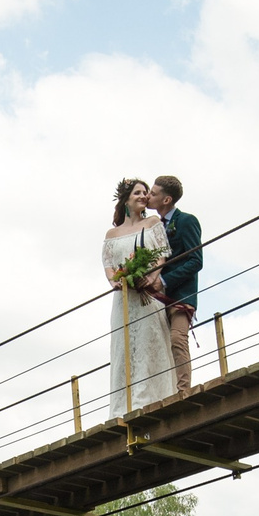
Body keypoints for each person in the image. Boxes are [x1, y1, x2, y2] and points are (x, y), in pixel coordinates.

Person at [102, 177, 176, 414]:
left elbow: (161, 254)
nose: (143, 196)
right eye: (137, 193)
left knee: (147, 343)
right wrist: (116, 280)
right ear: (126, 200)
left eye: (145, 192)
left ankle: (149, 399)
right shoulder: (112, 234)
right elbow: (108, 264)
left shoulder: (152, 223)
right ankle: (121, 406)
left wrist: (151, 277)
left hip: (148, 293)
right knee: (123, 349)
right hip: (124, 298)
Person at [150, 176, 202, 393]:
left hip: (180, 295)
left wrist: (164, 280)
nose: (148, 196)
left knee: (177, 339)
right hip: (154, 299)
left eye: (153, 193)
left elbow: (196, 261)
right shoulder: (152, 226)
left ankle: (183, 392)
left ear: (166, 199)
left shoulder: (187, 221)